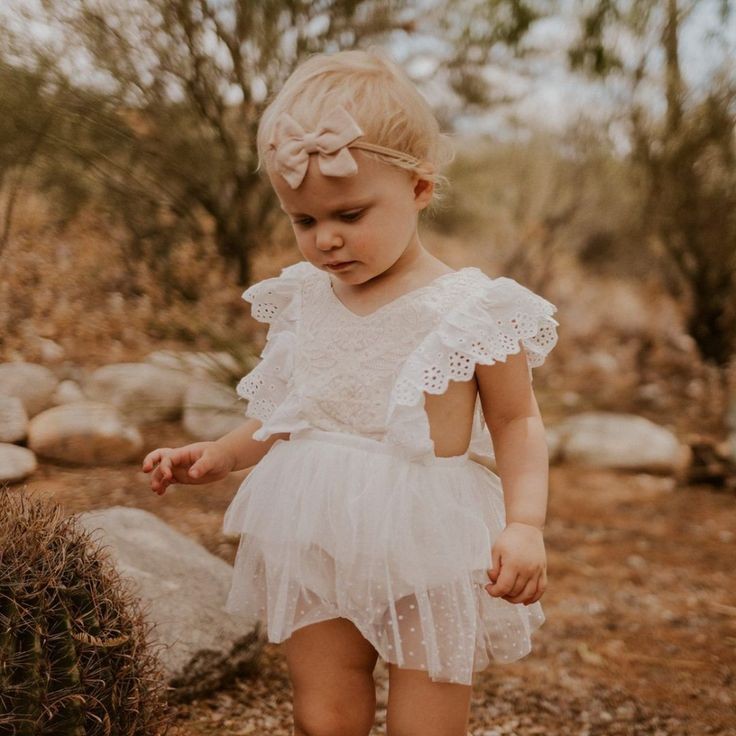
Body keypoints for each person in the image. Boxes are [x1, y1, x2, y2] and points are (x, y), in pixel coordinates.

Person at [142, 47, 559, 736]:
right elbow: (292, 409)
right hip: (312, 524)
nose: (326, 240)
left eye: (350, 214)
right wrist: (220, 453)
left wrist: (525, 524)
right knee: (323, 710)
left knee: (427, 717)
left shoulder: (472, 307)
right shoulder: (306, 298)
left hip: (425, 534)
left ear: (420, 189)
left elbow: (517, 422)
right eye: (304, 222)